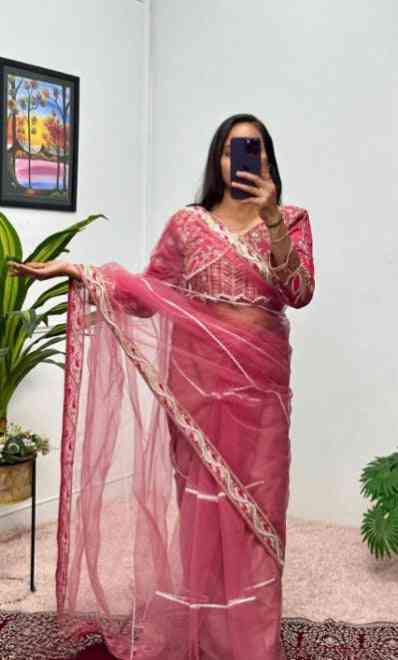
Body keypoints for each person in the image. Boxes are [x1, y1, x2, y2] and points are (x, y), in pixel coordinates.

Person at [7, 113, 315, 660]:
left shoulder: (291, 220)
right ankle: (203, 635)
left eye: (254, 148)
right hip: (196, 384)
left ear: (268, 158)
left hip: (261, 388)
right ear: (217, 160)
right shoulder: (187, 226)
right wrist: (80, 272)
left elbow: (299, 292)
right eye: (232, 149)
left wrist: (271, 219)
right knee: (201, 509)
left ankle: (252, 644)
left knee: (258, 509)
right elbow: (149, 292)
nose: (242, 159)